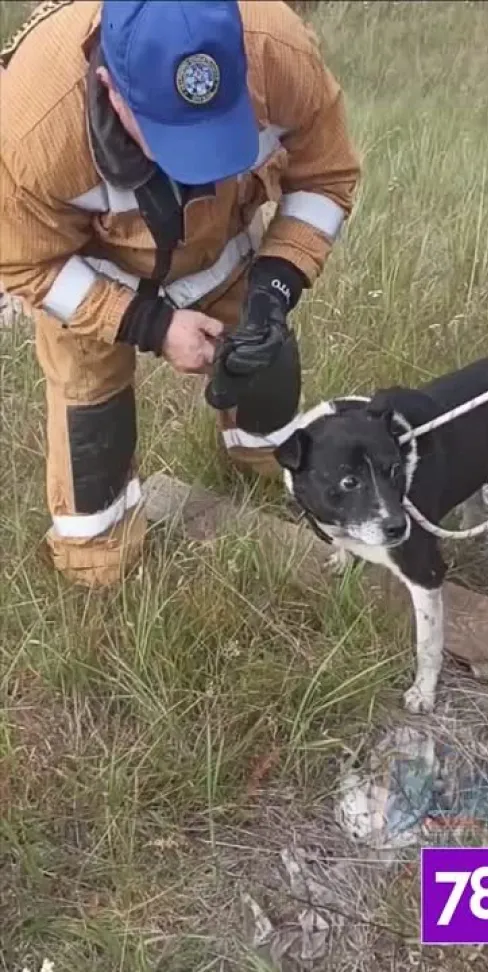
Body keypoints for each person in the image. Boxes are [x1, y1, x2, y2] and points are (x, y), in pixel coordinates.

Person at [0, 0, 360, 587]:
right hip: (95, 278)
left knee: (265, 348)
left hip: (225, 252)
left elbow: (327, 176)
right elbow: (29, 265)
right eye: (169, 133)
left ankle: (261, 457)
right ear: (110, 88)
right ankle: (100, 559)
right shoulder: (30, 128)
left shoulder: (280, 52)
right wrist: (151, 325)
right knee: (92, 422)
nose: (196, 166)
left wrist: (274, 287)